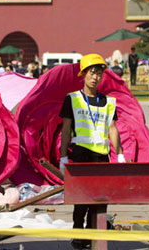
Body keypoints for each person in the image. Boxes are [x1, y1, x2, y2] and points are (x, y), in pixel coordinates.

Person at [59, 54, 125, 250]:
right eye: (91, 73)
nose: (95, 77)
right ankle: (78, 235)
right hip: (80, 153)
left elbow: (112, 128)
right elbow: (66, 129)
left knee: (100, 199)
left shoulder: (109, 102)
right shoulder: (72, 99)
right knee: (81, 199)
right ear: (83, 75)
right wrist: (63, 156)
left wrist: (119, 154)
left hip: (101, 155)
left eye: (99, 73)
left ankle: (94, 235)